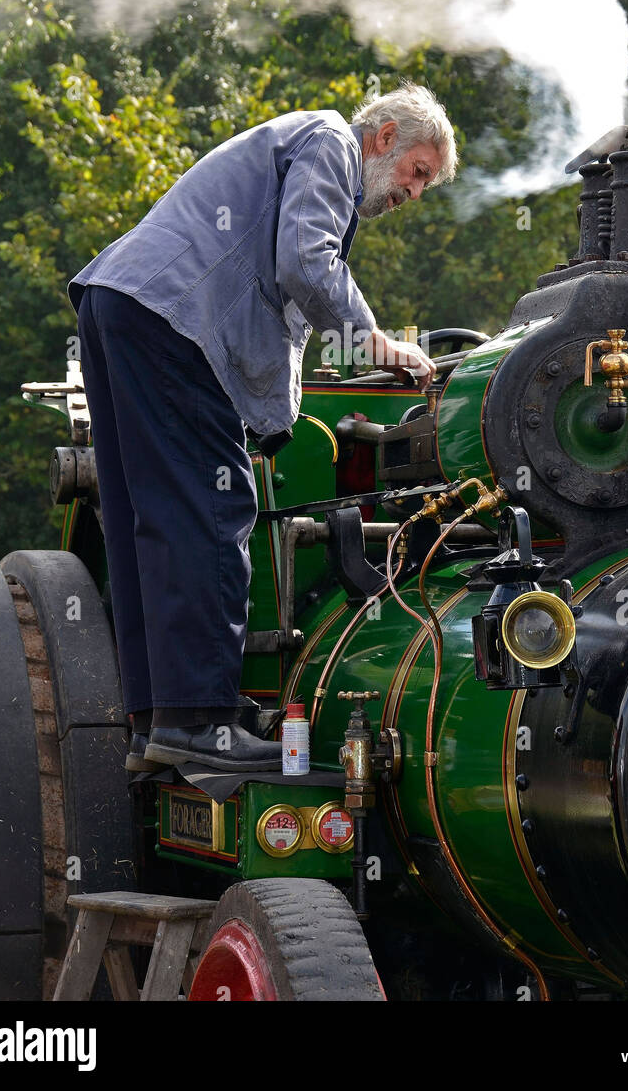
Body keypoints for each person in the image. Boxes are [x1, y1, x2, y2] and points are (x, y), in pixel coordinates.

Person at [68, 82, 458, 773]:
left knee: (146, 520)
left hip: (123, 304)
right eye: (417, 173)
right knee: (212, 510)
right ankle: (200, 723)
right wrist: (375, 343)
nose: (414, 194)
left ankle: (159, 719)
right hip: (169, 318)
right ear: (384, 136)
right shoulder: (331, 143)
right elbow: (305, 264)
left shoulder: (302, 144)